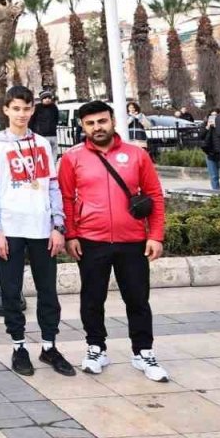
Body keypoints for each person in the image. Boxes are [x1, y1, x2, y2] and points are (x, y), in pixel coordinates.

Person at [59, 102, 169, 384]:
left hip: (132, 240)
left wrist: (155, 235)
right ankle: (96, 348)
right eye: (91, 123)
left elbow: (154, 195)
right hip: (90, 241)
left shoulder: (136, 155)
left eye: (102, 121)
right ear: (82, 127)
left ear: (112, 121)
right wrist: (71, 234)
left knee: (137, 299)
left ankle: (143, 351)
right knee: (92, 299)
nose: (98, 127)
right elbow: (67, 199)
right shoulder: (72, 158)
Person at [0, 86, 75, 377]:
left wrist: (58, 225)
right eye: (16, 108)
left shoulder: (43, 145)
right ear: (6, 110)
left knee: (48, 290)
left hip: (42, 228)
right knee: (11, 290)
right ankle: (19, 345)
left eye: (26, 108)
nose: (21, 114)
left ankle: (49, 346)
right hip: (10, 229)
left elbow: (54, 186)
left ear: (33, 110)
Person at [29, 91, 60, 156]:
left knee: (54, 153)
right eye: (45, 98)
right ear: (42, 99)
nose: (47, 99)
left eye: (49, 98)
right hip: (41, 135)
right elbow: (31, 121)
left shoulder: (54, 107)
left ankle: (52, 165)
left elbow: (56, 118)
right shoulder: (37, 108)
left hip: (53, 134)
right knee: (43, 154)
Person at [202, 108, 220, 191]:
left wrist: (217, 127)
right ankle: (216, 192)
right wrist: (207, 127)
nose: (214, 117)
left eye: (216, 115)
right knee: (214, 176)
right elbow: (201, 136)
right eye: (212, 115)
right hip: (210, 152)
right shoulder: (205, 124)